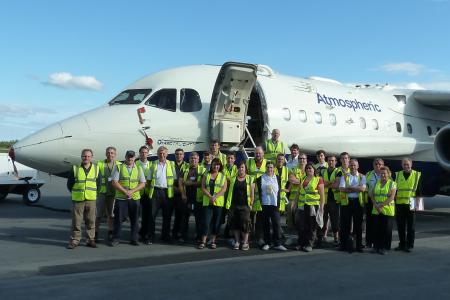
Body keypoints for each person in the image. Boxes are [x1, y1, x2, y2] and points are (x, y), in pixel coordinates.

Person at [110, 150, 146, 246]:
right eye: (128, 156)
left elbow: (143, 183)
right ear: (125, 157)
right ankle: (116, 238)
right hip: (121, 198)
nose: (130, 158)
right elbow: (114, 182)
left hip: (134, 198)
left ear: (135, 158)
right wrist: (125, 192)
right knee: (118, 219)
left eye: (132, 157)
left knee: (135, 220)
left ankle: (134, 239)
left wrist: (131, 191)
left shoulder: (139, 168)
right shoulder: (119, 167)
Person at [66, 149, 100, 249]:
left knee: (91, 220)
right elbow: (70, 184)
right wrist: (75, 194)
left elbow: (99, 183)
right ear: (81, 157)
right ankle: (75, 240)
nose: (86, 158)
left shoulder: (96, 168)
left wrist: (94, 193)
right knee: (76, 221)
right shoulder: (75, 168)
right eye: (84, 156)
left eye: (88, 156)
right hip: (78, 199)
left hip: (91, 198)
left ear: (91, 157)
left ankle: (91, 240)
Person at [147, 146, 178, 243]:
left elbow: (175, 180)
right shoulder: (153, 164)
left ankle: (165, 236)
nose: (162, 154)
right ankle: (151, 237)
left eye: (164, 153)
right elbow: (148, 180)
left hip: (167, 193)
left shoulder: (172, 164)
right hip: (156, 192)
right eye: (160, 153)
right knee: (152, 216)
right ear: (157, 154)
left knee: (167, 216)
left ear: (167, 154)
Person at [256, 161, 287, 251]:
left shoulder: (277, 178)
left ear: (274, 169)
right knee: (265, 225)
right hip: (264, 204)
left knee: (276, 224)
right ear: (265, 168)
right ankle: (267, 243)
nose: (270, 169)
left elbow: (279, 191)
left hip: (274, 205)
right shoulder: (260, 178)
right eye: (268, 167)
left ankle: (277, 243)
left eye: (271, 167)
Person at [394, 158, 422, 252]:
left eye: (407, 164)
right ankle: (402, 244)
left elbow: (419, 191)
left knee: (411, 226)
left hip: (412, 202)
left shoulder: (416, 175)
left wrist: (418, 205)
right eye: (404, 164)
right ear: (402, 165)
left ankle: (410, 245)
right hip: (399, 204)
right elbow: (395, 191)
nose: (406, 166)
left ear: (411, 164)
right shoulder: (397, 175)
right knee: (400, 226)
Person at [295, 163, 325, 252]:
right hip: (302, 206)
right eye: (307, 168)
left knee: (312, 226)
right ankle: (301, 243)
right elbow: (298, 193)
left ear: (314, 170)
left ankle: (309, 244)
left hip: (313, 206)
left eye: (310, 168)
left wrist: (321, 207)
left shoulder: (318, 179)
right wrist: (294, 203)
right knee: (301, 226)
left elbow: (322, 195)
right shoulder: (303, 179)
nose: (309, 170)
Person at [199, 158, 228, 249]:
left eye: (218, 165)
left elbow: (224, 189)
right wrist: (210, 196)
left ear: (220, 166)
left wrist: (215, 197)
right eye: (214, 164)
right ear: (211, 165)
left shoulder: (223, 176)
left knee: (216, 223)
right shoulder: (206, 175)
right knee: (206, 222)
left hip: (218, 202)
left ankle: (213, 241)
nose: (216, 166)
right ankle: (203, 241)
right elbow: (203, 187)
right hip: (207, 202)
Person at [226, 161, 255, 250]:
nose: (241, 169)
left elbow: (252, 192)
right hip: (234, 205)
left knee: (245, 224)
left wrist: (251, 203)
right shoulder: (233, 178)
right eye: (239, 167)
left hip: (245, 205)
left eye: (242, 167)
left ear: (245, 169)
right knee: (235, 224)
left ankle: (245, 242)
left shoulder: (250, 178)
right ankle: (237, 241)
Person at [339, 159, 366, 253]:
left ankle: (358, 246)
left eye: (354, 165)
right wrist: (356, 188)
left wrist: (350, 187)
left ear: (358, 166)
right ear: (349, 166)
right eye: (351, 165)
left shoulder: (363, 177)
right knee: (345, 225)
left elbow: (362, 189)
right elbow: (342, 189)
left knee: (358, 225)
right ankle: (344, 246)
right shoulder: (344, 176)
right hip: (347, 203)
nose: (353, 167)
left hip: (358, 203)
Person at [96, 146, 121, 242]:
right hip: (102, 193)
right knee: (98, 215)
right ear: (106, 154)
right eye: (108, 153)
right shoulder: (100, 164)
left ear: (115, 154)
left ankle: (110, 232)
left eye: (112, 153)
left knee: (111, 215)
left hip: (114, 193)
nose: (110, 154)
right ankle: (95, 233)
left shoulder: (119, 164)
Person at [180, 152, 206, 242]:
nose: (193, 160)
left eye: (195, 158)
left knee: (198, 219)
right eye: (191, 158)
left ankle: (198, 237)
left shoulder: (203, 169)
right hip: (186, 197)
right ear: (189, 159)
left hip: (198, 198)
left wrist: (190, 183)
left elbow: (203, 183)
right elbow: (180, 182)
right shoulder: (184, 168)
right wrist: (183, 194)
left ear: (198, 159)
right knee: (184, 218)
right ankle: (183, 236)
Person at [371, 166, 397, 255]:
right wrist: (376, 205)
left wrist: (381, 205)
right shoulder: (376, 183)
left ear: (388, 174)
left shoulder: (392, 184)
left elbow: (392, 197)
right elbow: (372, 195)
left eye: (384, 173)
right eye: (381, 173)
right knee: (376, 229)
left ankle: (385, 248)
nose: (383, 175)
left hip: (388, 210)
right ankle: (376, 247)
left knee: (386, 230)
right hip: (377, 210)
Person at [246, 146, 267, 246]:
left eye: (259, 153)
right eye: (256, 153)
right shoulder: (248, 162)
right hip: (250, 193)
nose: (258, 155)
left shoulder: (267, 163)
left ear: (263, 153)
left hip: (262, 195)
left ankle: (260, 237)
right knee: (249, 217)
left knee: (260, 218)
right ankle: (248, 236)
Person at [318, 155, 340, 246]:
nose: (331, 162)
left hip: (334, 200)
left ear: (335, 162)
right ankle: (323, 237)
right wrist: (332, 182)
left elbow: (337, 185)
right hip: (324, 199)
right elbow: (319, 183)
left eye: (333, 161)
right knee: (323, 219)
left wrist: (325, 184)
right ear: (327, 161)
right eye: (329, 161)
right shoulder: (323, 171)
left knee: (335, 220)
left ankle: (336, 238)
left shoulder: (338, 171)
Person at [364, 158, 384, 248]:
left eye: (380, 164)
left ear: (383, 165)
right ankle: (369, 242)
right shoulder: (368, 174)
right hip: (370, 201)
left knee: (380, 223)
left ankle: (379, 242)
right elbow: (365, 187)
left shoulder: (387, 175)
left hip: (381, 201)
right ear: (373, 165)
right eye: (376, 164)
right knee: (370, 222)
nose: (378, 166)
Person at [135, 146, 152, 244]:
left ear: (148, 153)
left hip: (148, 193)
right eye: (142, 152)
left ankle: (145, 235)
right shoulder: (135, 164)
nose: (143, 154)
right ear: (139, 153)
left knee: (147, 216)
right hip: (137, 192)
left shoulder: (152, 164)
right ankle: (135, 235)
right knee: (136, 216)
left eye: (145, 152)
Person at [172, 148, 189, 242]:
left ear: (183, 155)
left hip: (182, 193)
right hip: (172, 192)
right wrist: (174, 188)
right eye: (177, 154)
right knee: (173, 215)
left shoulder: (187, 165)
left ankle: (183, 235)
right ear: (175, 155)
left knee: (184, 216)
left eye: (180, 154)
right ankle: (174, 233)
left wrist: (181, 190)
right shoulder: (171, 165)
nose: (179, 156)